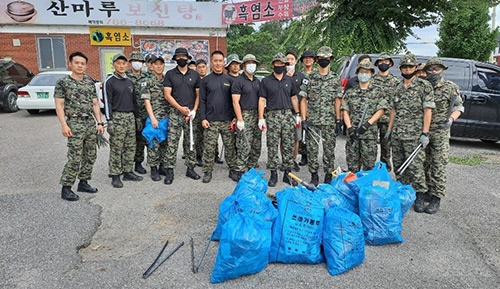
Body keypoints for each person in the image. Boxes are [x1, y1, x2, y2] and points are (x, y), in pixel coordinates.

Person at [387, 53, 435, 213]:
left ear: (415, 68)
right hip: (398, 134)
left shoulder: (424, 86)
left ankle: (420, 195)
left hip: (414, 135)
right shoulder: (398, 87)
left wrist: (425, 133)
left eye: (410, 67)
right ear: (400, 69)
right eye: (404, 67)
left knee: (416, 167)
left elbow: (427, 110)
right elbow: (393, 110)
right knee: (399, 166)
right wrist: (389, 129)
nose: (407, 69)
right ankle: (403, 193)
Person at [54, 51, 105, 201]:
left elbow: (95, 103)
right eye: (77, 63)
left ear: (86, 65)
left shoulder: (89, 82)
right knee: (75, 157)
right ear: (70, 64)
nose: (80, 66)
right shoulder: (63, 82)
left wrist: (99, 122)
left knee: (90, 155)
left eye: (82, 63)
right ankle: (66, 187)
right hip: (74, 123)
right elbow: (59, 105)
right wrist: (64, 125)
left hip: (89, 123)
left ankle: (83, 182)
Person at [422, 57, 464, 214]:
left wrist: (452, 119)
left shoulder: (450, 87)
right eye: (430, 69)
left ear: (443, 70)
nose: (433, 72)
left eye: (437, 69)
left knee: (438, 164)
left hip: (440, 131)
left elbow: (459, 107)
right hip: (424, 131)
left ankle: (436, 197)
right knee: (424, 162)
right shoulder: (422, 86)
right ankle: (427, 190)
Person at [299, 46, 343, 185]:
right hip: (313, 121)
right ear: (317, 60)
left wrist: (338, 120)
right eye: (321, 58)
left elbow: (337, 100)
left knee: (329, 150)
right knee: (312, 150)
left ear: (330, 59)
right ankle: (314, 175)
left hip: (329, 121)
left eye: (327, 58)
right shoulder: (309, 78)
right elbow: (304, 100)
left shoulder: (335, 78)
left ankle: (328, 174)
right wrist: (304, 119)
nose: (324, 60)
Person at [258, 53, 301, 187]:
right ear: (273, 65)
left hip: (288, 114)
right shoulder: (266, 81)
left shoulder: (289, 80)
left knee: (288, 145)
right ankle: (273, 174)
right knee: (272, 145)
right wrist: (261, 118)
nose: (279, 66)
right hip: (273, 115)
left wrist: (298, 113)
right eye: (277, 64)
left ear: (285, 65)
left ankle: (287, 174)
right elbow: (262, 99)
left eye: (282, 64)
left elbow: (294, 97)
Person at [103, 53, 143, 188]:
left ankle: (128, 171)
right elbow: (107, 102)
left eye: (123, 63)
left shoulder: (129, 82)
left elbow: (134, 101)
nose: (121, 66)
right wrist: (109, 120)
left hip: (130, 117)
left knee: (130, 146)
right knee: (116, 147)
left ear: (127, 65)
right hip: (117, 117)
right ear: (113, 65)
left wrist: (137, 117)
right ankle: (115, 174)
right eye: (118, 63)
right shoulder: (110, 81)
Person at [163, 47, 202, 184]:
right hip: (175, 112)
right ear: (175, 59)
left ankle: (190, 168)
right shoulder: (170, 74)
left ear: (187, 58)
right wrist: (180, 108)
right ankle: (169, 170)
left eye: (183, 56)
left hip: (191, 113)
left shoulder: (195, 75)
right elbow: (167, 95)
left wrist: (194, 110)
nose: (181, 59)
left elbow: (198, 95)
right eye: (178, 56)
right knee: (172, 142)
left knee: (190, 141)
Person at [341, 61, 388, 172]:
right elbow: (345, 111)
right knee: (352, 165)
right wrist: (350, 128)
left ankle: (366, 188)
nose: (364, 74)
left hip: (369, 134)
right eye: (361, 72)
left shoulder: (378, 91)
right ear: (357, 73)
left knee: (369, 165)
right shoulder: (351, 92)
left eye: (367, 72)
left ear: (371, 73)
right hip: (353, 134)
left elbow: (381, 110)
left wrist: (367, 124)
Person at [199, 50, 238, 183]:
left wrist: (235, 117)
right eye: (215, 61)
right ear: (211, 62)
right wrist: (203, 118)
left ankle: (232, 170)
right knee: (209, 148)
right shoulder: (205, 81)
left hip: (227, 120)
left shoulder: (230, 80)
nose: (218, 63)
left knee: (230, 147)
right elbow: (202, 101)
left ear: (224, 62)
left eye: (220, 61)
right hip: (211, 121)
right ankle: (207, 171)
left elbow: (234, 101)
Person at [232, 54, 262, 176]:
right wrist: (239, 119)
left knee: (256, 143)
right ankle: (239, 169)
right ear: (243, 65)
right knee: (244, 144)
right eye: (248, 63)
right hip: (244, 114)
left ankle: (252, 166)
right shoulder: (238, 81)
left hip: (256, 114)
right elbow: (235, 101)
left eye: (253, 63)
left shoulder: (257, 81)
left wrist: (261, 117)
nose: (251, 65)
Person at [141, 55, 169, 181]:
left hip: (167, 118)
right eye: (155, 64)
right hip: (155, 118)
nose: (158, 66)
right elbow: (147, 101)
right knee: (154, 144)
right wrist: (152, 118)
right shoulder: (147, 81)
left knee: (165, 143)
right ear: (151, 66)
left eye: (161, 64)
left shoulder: (167, 80)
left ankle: (162, 165)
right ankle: (153, 168)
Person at [371, 52, 399, 171]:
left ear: (390, 63)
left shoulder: (396, 82)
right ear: (377, 64)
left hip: (388, 119)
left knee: (386, 148)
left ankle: (385, 170)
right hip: (373, 119)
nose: (383, 64)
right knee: (370, 147)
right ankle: (370, 170)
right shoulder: (371, 80)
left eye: (386, 61)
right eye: (381, 62)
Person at [126, 51, 149, 175]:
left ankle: (138, 163)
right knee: (129, 141)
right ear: (130, 63)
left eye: (140, 62)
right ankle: (125, 165)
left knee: (141, 140)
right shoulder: (125, 76)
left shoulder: (146, 77)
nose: (137, 63)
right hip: (129, 114)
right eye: (135, 61)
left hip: (144, 113)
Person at [286, 50, 306, 172]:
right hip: (284, 111)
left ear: (296, 61)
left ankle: (293, 160)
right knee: (284, 138)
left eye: (291, 59)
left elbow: (304, 96)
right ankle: (285, 160)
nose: (289, 61)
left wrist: (301, 114)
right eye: (287, 59)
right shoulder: (280, 75)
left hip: (296, 112)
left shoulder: (301, 76)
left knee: (296, 138)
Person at [297, 49, 316, 167]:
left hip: (315, 108)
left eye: (310, 58)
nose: (308, 60)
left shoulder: (317, 74)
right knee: (301, 133)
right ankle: (304, 155)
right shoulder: (299, 75)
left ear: (314, 60)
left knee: (312, 133)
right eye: (306, 58)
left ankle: (312, 155)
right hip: (301, 105)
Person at [194, 59, 210, 166]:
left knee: (210, 134)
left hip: (209, 110)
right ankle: (198, 156)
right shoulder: (195, 80)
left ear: (207, 68)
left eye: (203, 67)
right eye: (199, 67)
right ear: (196, 69)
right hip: (197, 110)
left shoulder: (210, 79)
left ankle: (213, 154)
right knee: (198, 134)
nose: (201, 69)